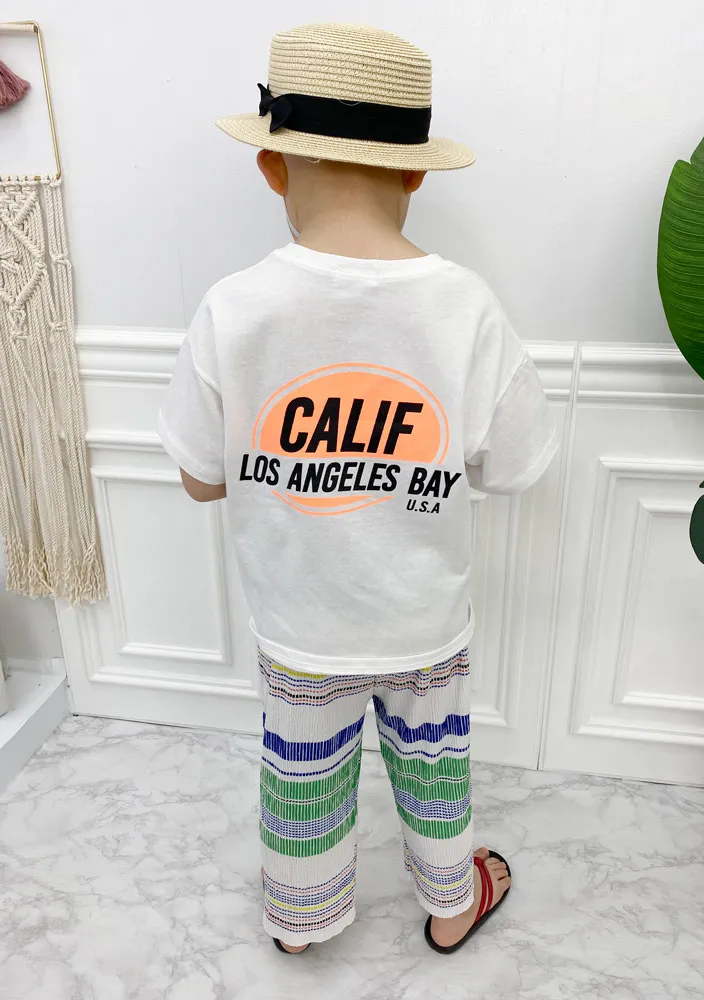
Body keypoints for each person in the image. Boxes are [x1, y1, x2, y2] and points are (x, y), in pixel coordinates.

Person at [158, 22, 558, 955]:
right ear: (417, 172)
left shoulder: (234, 308)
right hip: (424, 627)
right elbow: (517, 465)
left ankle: (300, 924)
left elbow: (200, 481)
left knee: (301, 776)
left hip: (298, 630)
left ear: (271, 167)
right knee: (434, 770)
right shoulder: (466, 309)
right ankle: (453, 903)